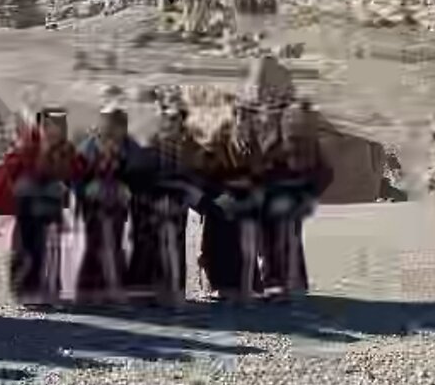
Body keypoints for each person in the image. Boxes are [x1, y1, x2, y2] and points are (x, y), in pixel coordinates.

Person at [0, 107, 82, 309]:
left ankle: (47, 291)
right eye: (49, 125)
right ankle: (24, 291)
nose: (54, 130)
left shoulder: (64, 148)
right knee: (28, 249)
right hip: (27, 206)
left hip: (50, 206)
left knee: (49, 249)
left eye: (58, 125)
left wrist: (64, 182)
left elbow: (74, 171)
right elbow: (12, 169)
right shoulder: (28, 145)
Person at [126, 94, 204, 305]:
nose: (170, 122)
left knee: (175, 247)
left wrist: (187, 193)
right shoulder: (151, 145)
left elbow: (197, 178)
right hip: (151, 206)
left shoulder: (190, 148)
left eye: (174, 118)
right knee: (149, 248)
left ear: (181, 120)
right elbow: (139, 178)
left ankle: (173, 292)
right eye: (167, 117)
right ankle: (147, 291)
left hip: (176, 206)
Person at [260, 100, 332, 302]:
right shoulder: (279, 140)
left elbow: (323, 173)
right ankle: (283, 283)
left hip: (289, 197)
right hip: (280, 197)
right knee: (279, 239)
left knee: (283, 239)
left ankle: (283, 284)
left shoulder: (305, 144)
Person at [73, 105, 142, 305]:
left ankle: (113, 288)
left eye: (116, 124)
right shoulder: (89, 146)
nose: (111, 128)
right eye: (107, 122)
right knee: (95, 244)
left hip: (117, 204)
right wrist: (85, 192)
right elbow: (76, 175)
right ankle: (90, 292)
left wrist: (127, 187)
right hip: (94, 205)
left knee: (113, 244)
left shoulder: (129, 146)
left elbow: (139, 171)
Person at [197, 105, 266, 303]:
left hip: (245, 202)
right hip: (221, 201)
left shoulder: (253, 146)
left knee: (247, 245)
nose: (244, 124)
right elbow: (208, 174)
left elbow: (260, 175)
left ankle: (247, 286)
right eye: (241, 119)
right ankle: (219, 286)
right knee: (218, 243)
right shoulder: (219, 144)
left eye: (247, 120)